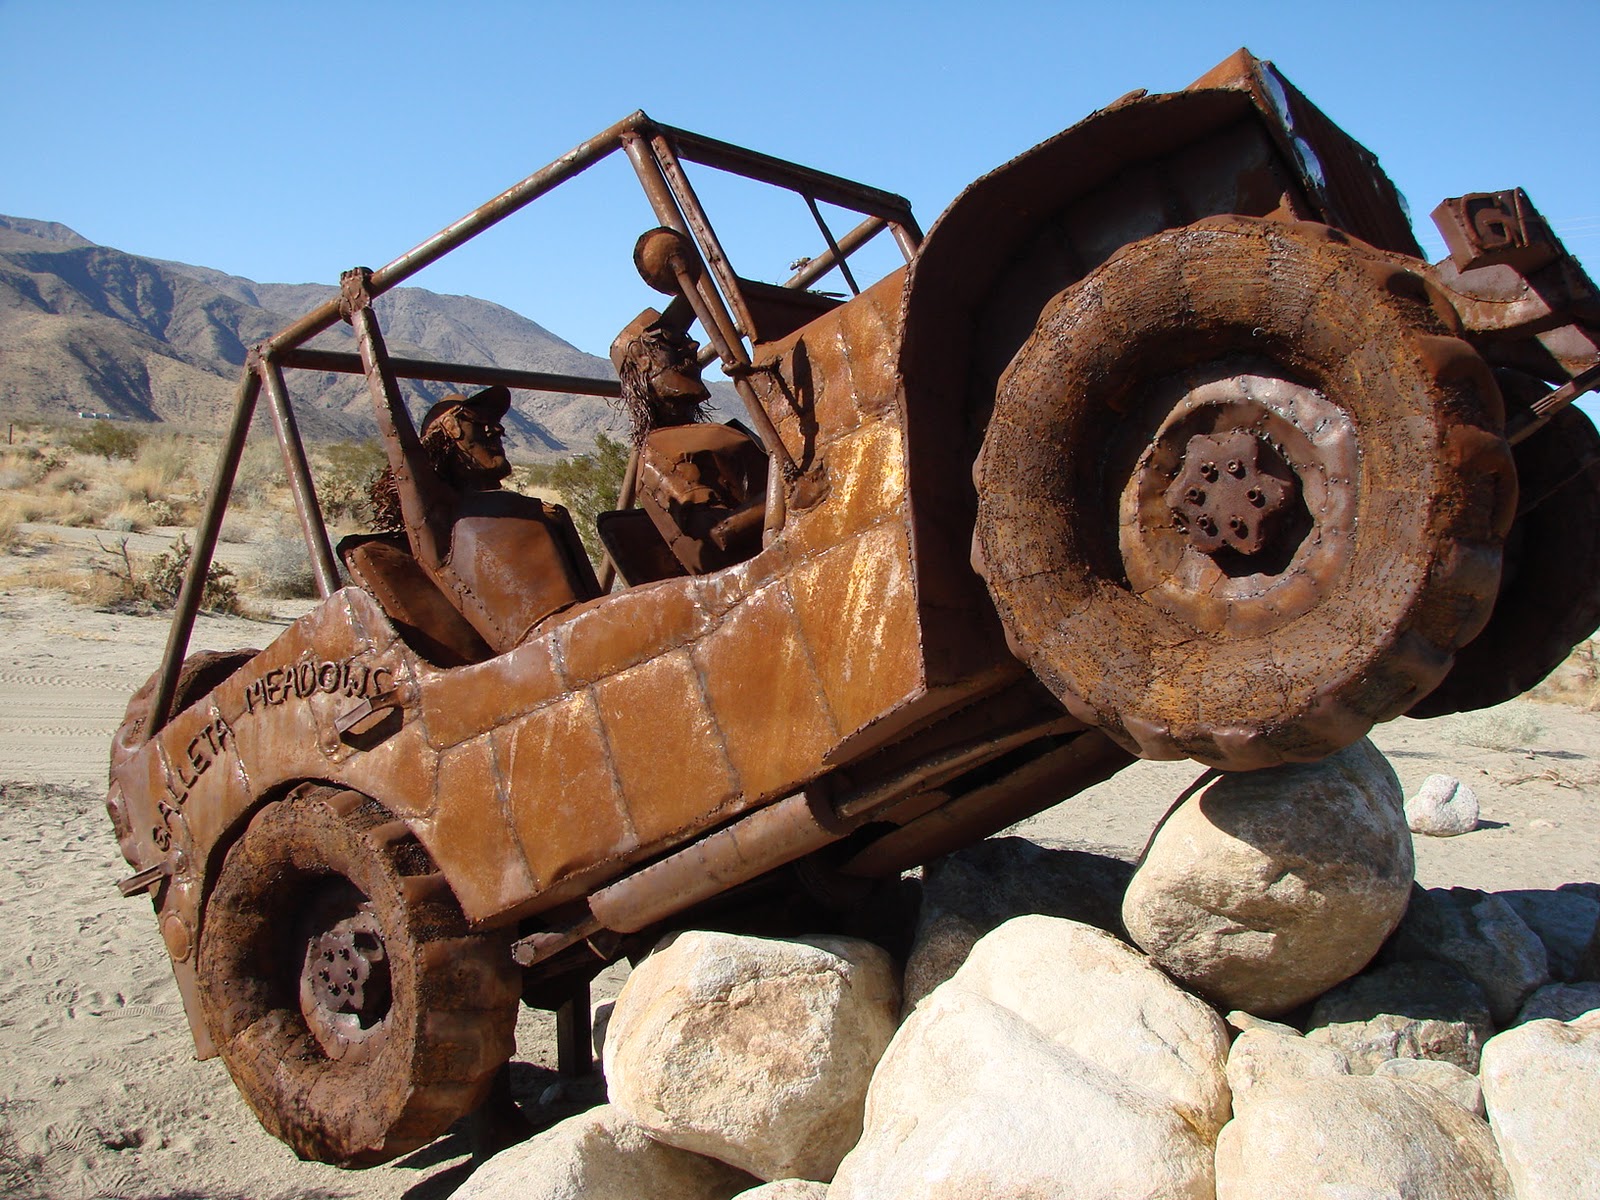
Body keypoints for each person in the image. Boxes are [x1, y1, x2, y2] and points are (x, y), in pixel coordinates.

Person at [366, 384, 600, 654]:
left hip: (577, 635)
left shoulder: (532, 511)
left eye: (496, 422)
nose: (496, 430)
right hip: (545, 652)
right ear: (449, 432)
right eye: (478, 421)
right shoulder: (445, 524)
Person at [609, 309, 768, 574]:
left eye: (688, 337)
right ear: (640, 358)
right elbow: (716, 535)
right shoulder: (662, 453)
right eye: (671, 338)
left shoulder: (709, 435)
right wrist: (785, 492)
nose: (692, 346)